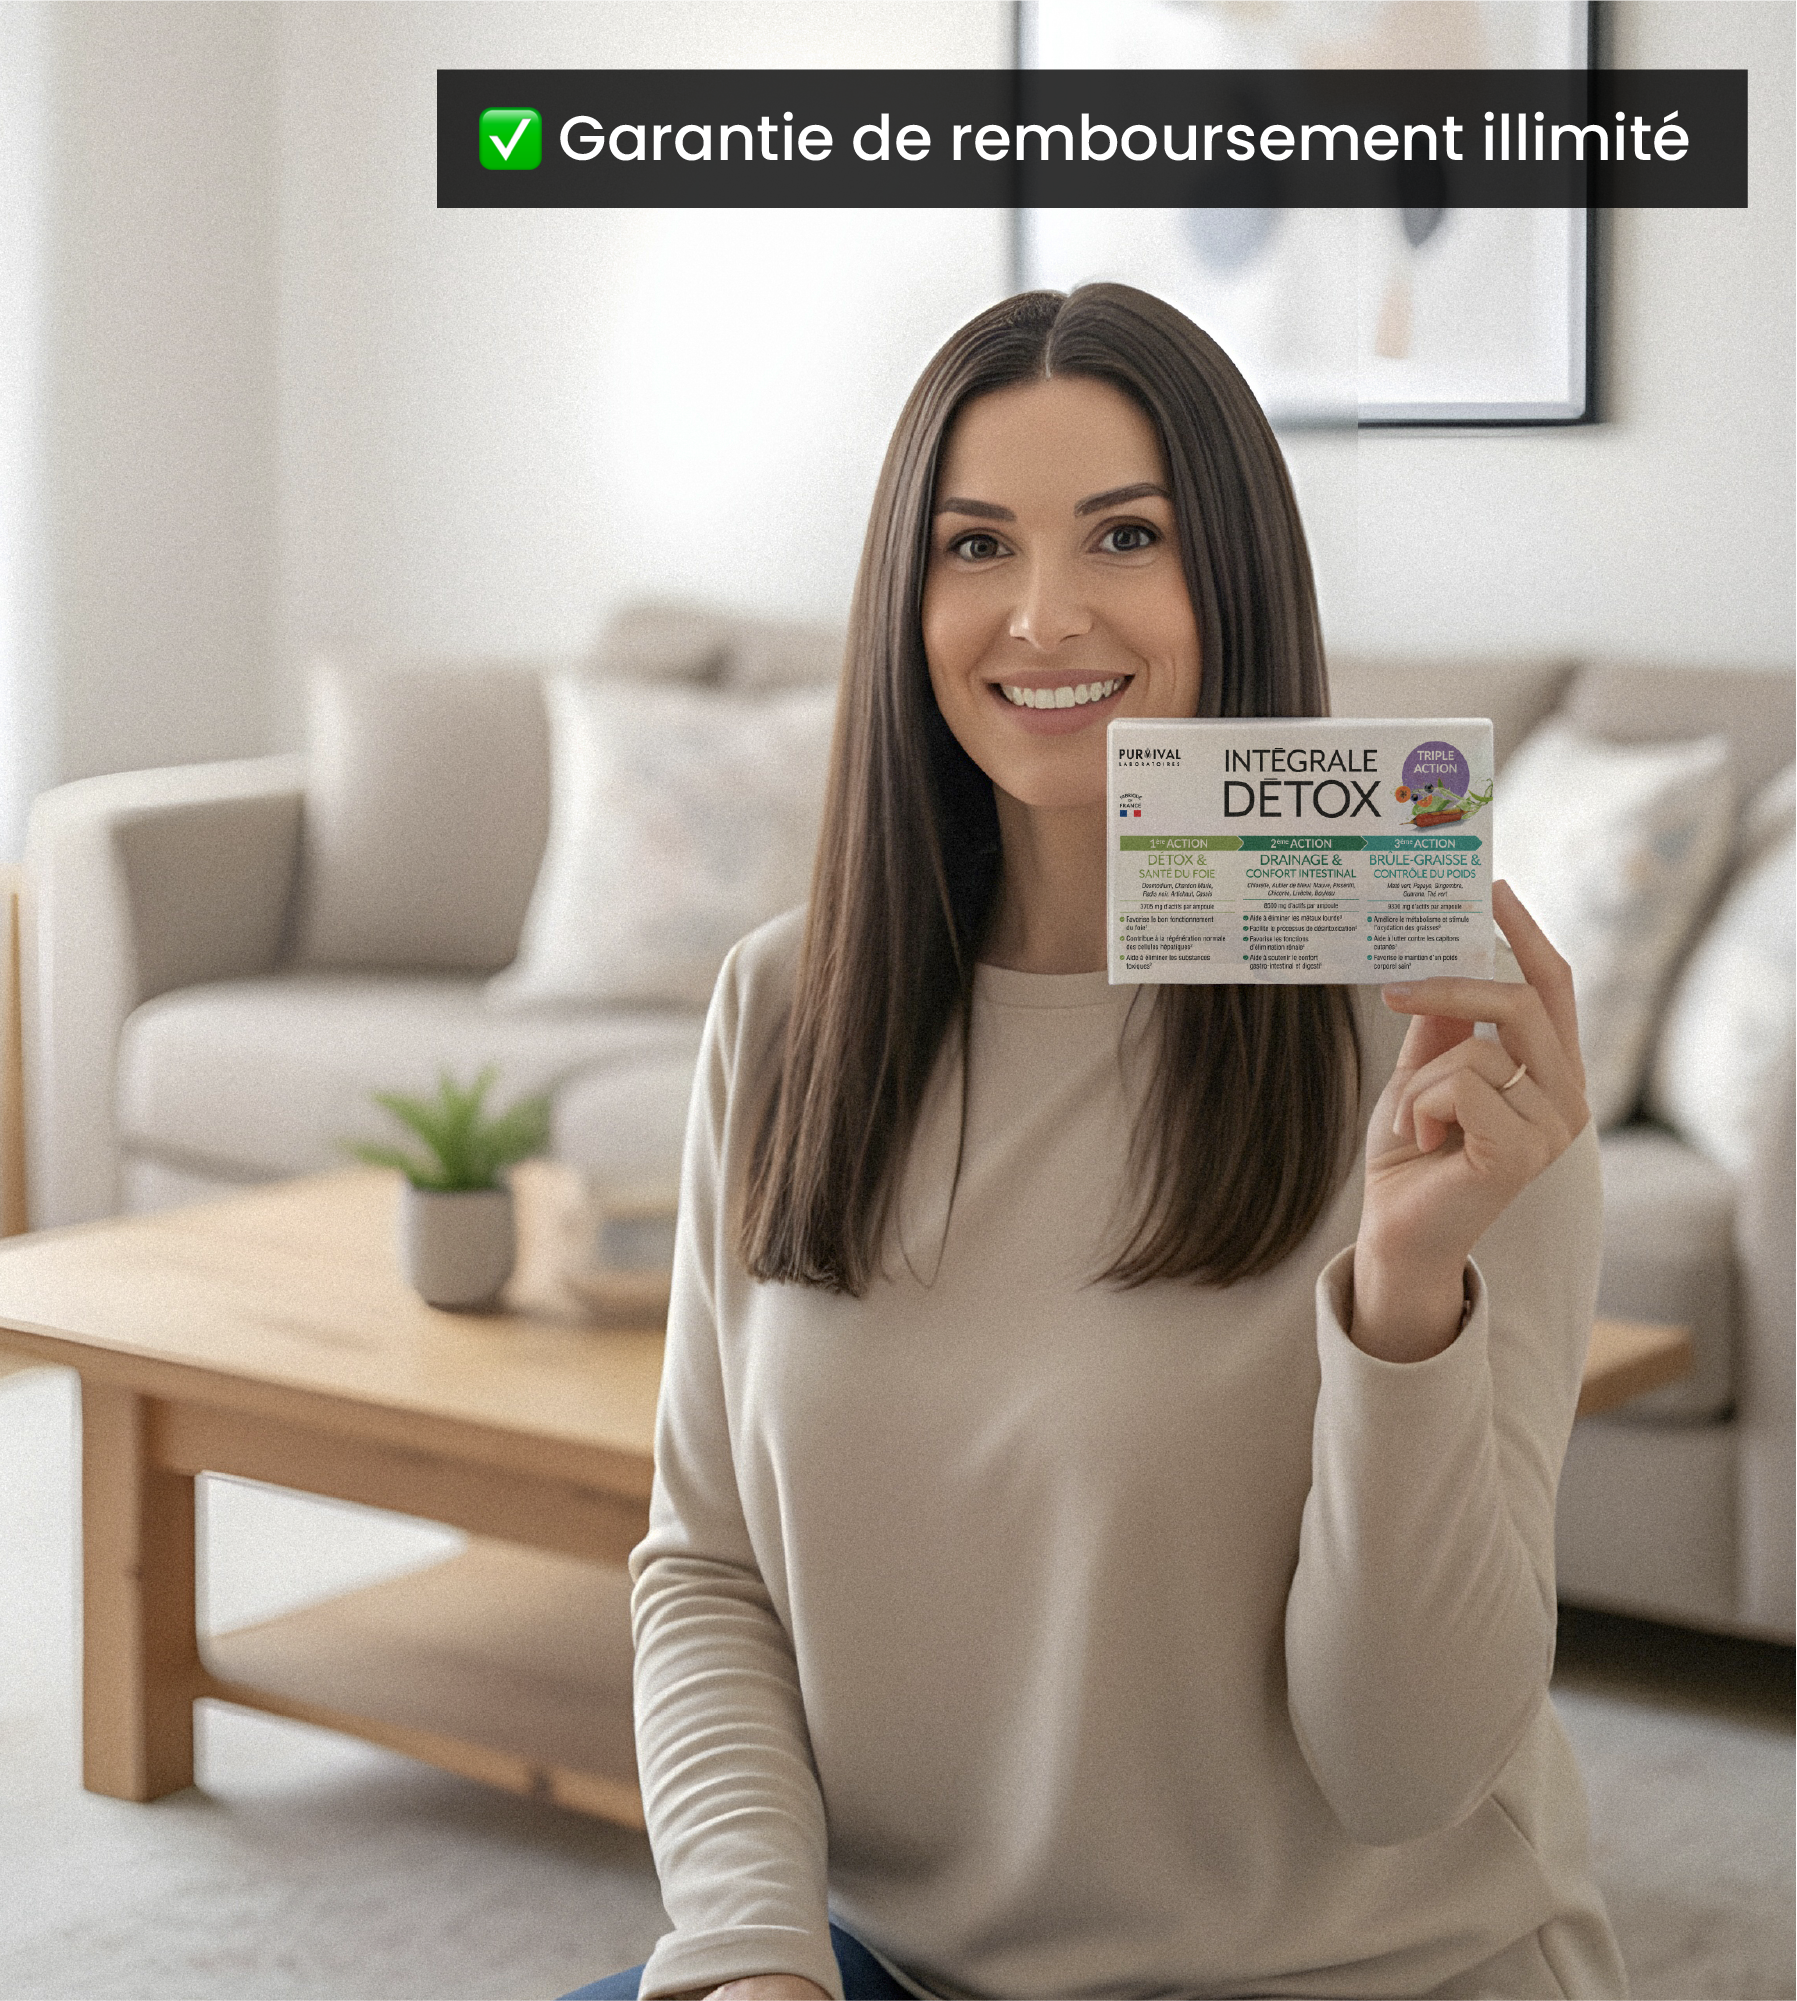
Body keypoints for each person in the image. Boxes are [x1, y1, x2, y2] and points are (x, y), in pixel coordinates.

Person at [565, 285, 1625, 2001]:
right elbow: (706, 1568)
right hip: (897, 1970)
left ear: (1235, 578)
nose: (1043, 614)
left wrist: (1410, 1291)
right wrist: (754, 1956)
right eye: (974, 546)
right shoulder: (784, 1013)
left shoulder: (1439, 1056)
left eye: (1125, 535)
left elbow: (1406, 1768)